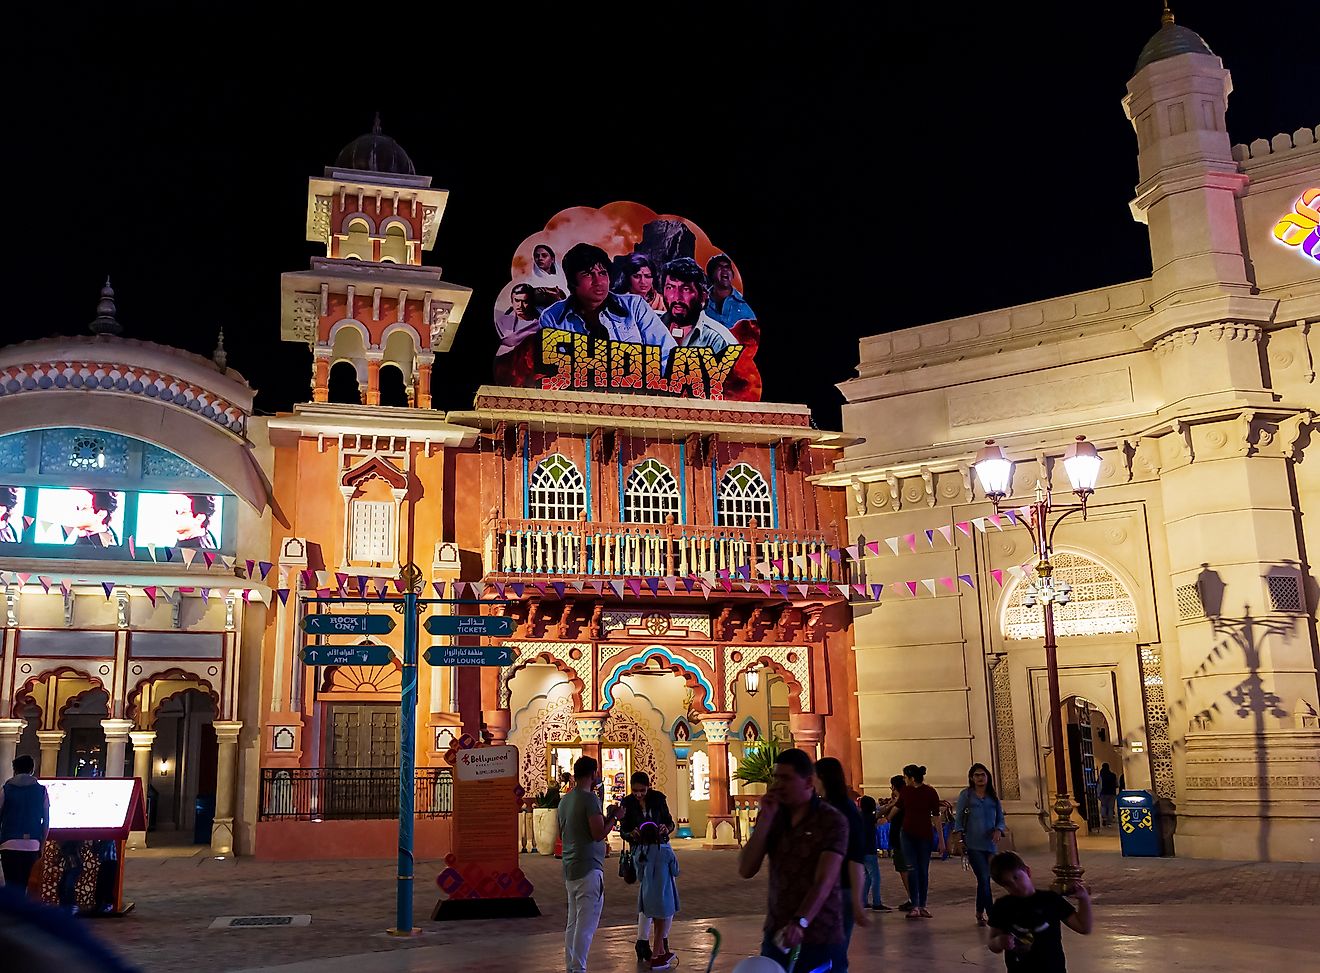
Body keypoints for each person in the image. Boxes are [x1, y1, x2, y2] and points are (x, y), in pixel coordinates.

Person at [737, 748, 846, 973]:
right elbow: (746, 869)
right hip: (777, 934)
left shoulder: (831, 820)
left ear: (808, 783)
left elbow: (824, 881)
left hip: (819, 933)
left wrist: (800, 921)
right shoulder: (775, 817)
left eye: (786, 779)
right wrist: (764, 821)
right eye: (776, 778)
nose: (778, 785)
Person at [538, 243, 676, 369]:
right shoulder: (552, 318)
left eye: (603, 273)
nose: (599, 281)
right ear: (572, 281)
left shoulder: (635, 306)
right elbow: (551, 371)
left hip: (634, 391)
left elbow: (668, 356)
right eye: (588, 274)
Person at [558, 755, 620, 973]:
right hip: (589, 868)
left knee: (573, 922)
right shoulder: (589, 799)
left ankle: (572, 966)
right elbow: (597, 834)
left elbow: (564, 832)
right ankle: (579, 967)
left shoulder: (565, 800)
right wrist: (615, 818)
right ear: (593, 774)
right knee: (586, 924)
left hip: (571, 866)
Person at [988, 852, 1093, 972]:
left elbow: (1083, 927)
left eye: (1016, 877)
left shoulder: (1050, 899)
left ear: (1027, 871)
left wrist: (1084, 899)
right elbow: (992, 943)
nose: (1015, 885)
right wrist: (998, 942)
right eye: (1008, 884)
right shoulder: (1003, 906)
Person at [813, 757, 870, 972]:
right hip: (831, 889)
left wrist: (857, 900)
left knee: (834, 952)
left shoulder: (837, 811)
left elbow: (855, 857)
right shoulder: (831, 807)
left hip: (840, 889)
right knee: (831, 950)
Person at [619, 771, 676, 962]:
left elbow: (669, 822)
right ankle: (643, 941)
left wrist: (665, 829)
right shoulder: (627, 803)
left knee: (663, 898)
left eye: (642, 791)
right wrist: (631, 834)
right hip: (641, 853)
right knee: (649, 896)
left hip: (661, 849)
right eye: (635, 791)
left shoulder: (658, 799)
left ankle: (661, 941)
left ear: (648, 787)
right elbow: (623, 830)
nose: (639, 795)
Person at [953, 762, 1009, 927]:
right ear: (971, 778)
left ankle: (979, 912)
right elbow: (959, 820)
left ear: (988, 777)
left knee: (985, 880)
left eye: (982, 775)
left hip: (990, 845)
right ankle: (992, 915)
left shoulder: (993, 796)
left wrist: (999, 829)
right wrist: (960, 839)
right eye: (976, 775)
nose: (980, 778)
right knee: (983, 877)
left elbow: (1000, 818)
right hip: (973, 844)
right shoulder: (966, 795)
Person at [887, 763, 943, 919]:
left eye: (905, 777)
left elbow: (936, 816)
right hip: (907, 835)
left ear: (911, 778)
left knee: (923, 870)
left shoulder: (930, 792)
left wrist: (941, 841)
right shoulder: (906, 792)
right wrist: (887, 817)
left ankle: (922, 905)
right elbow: (897, 807)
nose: (904, 780)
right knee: (911, 868)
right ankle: (915, 905)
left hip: (924, 835)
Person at [660, 257, 739, 354]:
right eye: (670, 288)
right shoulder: (648, 325)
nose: (676, 297)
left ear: (703, 296)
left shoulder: (719, 340)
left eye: (686, 289)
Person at [0, 755, 50, 897]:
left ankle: (12, 915)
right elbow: (46, 821)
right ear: (32, 770)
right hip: (32, 844)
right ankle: (22, 914)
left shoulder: (6, 789)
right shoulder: (41, 791)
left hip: (8, 842)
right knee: (24, 883)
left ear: (14, 770)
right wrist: (42, 844)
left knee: (11, 885)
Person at [633, 821, 680, 971]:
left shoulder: (640, 852)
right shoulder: (665, 851)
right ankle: (655, 957)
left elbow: (639, 876)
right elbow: (675, 871)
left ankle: (660, 953)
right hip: (663, 893)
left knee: (656, 922)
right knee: (661, 925)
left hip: (647, 893)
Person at [881, 774, 913, 911]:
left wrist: (890, 807)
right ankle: (914, 898)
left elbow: (887, 817)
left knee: (904, 869)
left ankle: (913, 898)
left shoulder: (901, 802)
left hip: (901, 840)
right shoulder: (908, 800)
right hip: (905, 839)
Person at [704, 253, 756, 328]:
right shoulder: (700, 302)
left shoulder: (746, 305)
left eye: (727, 267)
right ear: (711, 273)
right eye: (719, 267)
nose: (725, 269)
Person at [857, 796, 889, 912]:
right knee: (875, 877)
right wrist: (890, 805)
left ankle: (863, 901)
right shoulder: (870, 817)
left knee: (867, 877)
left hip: (860, 851)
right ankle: (877, 902)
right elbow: (881, 814)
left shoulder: (859, 816)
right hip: (870, 851)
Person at [495, 283, 544, 358]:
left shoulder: (541, 325)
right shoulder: (502, 322)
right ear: (512, 301)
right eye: (517, 300)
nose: (520, 305)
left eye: (525, 301)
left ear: (532, 302)